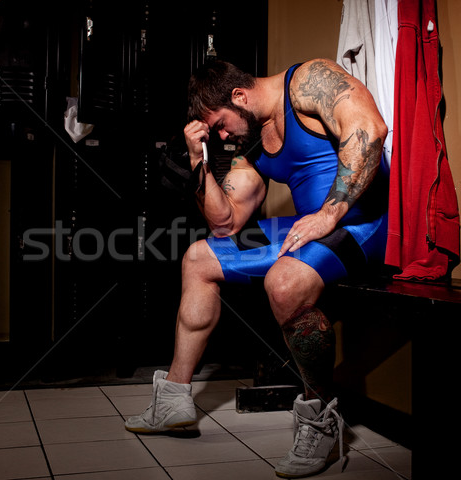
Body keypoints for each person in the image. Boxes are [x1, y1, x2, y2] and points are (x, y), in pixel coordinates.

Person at [125, 59, 389, 478]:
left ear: (239, 96)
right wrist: (200, 162)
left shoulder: (306, 81)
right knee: (199, 257)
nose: (224, 135)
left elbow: (370, 128)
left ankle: (320, 416)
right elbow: (224, 222)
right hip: (310, 226)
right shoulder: (253, 140)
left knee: (283, 283)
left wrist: (330, 213)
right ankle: (172, 400)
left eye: (222, 125)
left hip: (360, 223)